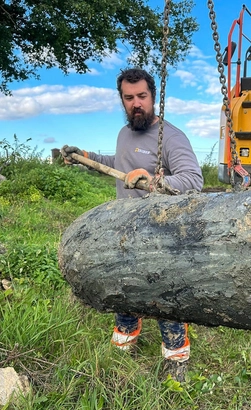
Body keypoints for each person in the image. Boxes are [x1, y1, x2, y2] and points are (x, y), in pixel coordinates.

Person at [61, 67, 204, 382]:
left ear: (153, 97)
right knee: (124, 288)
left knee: (165, 298)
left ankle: (176, 360)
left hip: (162, 235)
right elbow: (118, 163)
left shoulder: (172, 136)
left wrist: (153, 181)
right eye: (129, 98)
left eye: (142, 96)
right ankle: (125, 342)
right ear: (122, 100)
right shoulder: (125, 133)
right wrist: (86, 156)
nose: (136, 103)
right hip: (124, 232)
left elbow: (194, 180)